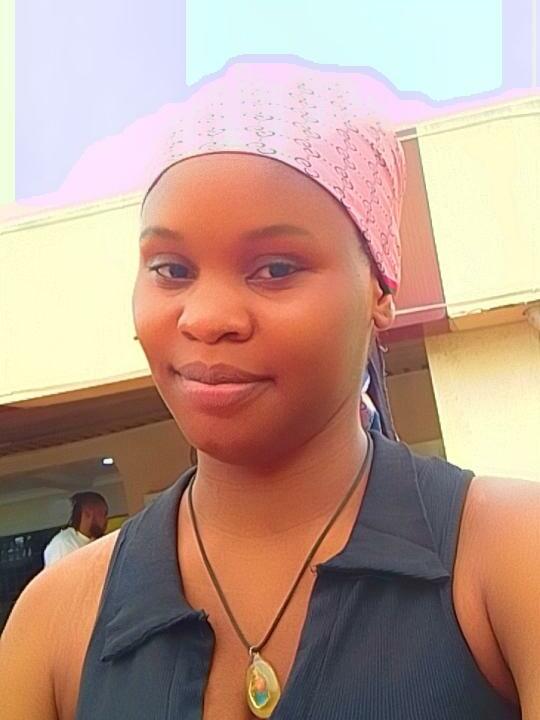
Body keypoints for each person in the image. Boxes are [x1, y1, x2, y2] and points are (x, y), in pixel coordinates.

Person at [0, 63, 538, 720]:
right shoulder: (55, 622)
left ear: (380, 288)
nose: (206, 318)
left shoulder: (510, 558)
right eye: (171, 269)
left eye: (276, 268)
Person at [43, 492, 109, 567]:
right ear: (88, 514)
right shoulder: (63, 545)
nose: (106, 520)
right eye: (103, 514)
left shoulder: (97, 541)